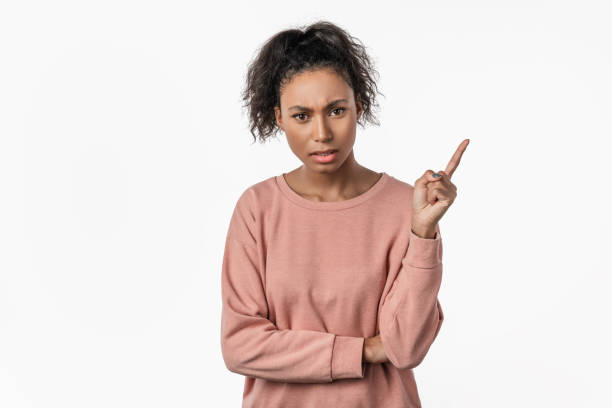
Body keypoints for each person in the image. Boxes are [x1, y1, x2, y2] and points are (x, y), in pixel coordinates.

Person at [220, 20, 469, 407]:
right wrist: (362, 351)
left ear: (359, 107)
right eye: (302, 115)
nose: (322, 132)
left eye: (336, 110)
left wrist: (421, 234)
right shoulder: (257, 209)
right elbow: (240, 346)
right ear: (279, 118)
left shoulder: (407, 207)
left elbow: (405, 349)